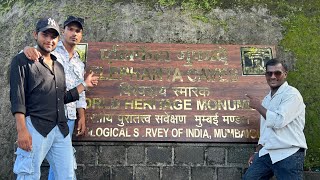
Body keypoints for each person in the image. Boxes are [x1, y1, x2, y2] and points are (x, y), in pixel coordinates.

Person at [10, 17, 97, 179]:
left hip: (60, 129)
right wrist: (22, 130)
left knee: (68, 175)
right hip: (36, 126)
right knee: (28, 175)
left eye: (53, 36)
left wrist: (84, 85)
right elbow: (17, 98)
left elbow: (62, 97)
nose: (49, 40)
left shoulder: (58, 66)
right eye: (45, 35)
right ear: (36, 34)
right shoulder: (23, 60)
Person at [243, 59, 307, 180]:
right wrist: (258, 152)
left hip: (289, 152)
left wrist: (258, 106)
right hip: (268, 153)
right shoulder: (268, 98)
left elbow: (278, 121)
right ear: (265, 75)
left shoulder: (292, 95)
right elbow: (266, 130)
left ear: (285, 74)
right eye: (269, 73)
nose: (273, 77)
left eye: (277, 73)